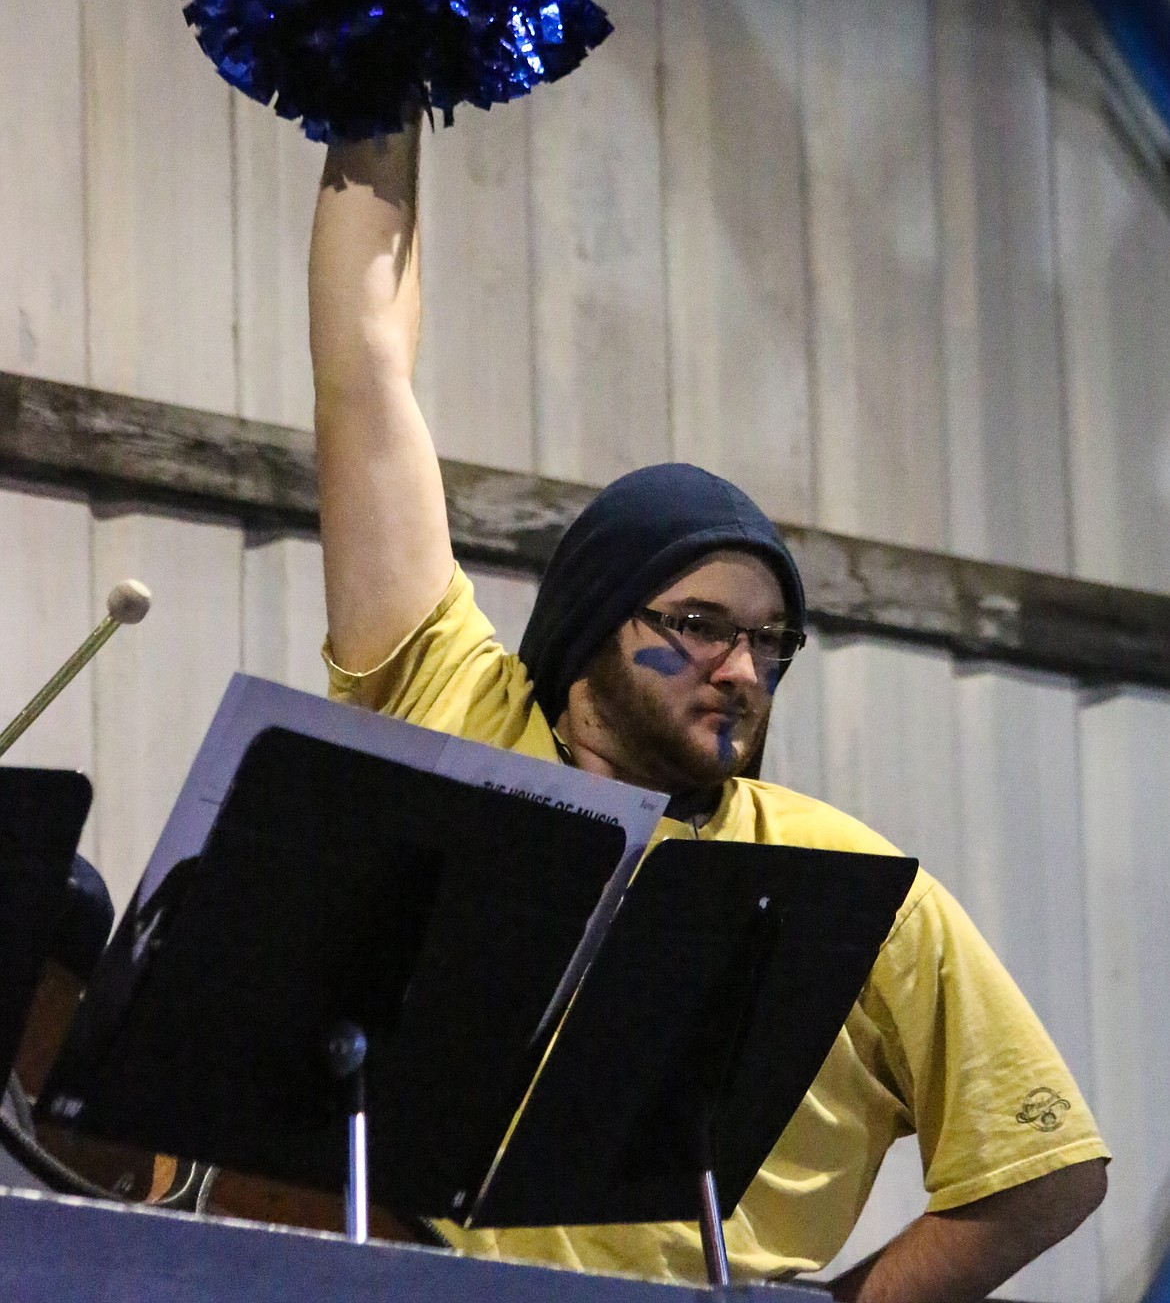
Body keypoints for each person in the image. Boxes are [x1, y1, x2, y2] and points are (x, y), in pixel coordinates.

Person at [309, 125, 1108, 1298]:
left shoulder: (857, 890)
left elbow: (1048, 1172)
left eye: (772, 642)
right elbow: (363, 366)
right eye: (699, 627)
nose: (742, 669)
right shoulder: (452, 697)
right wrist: (378, 77)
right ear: (589, 625)